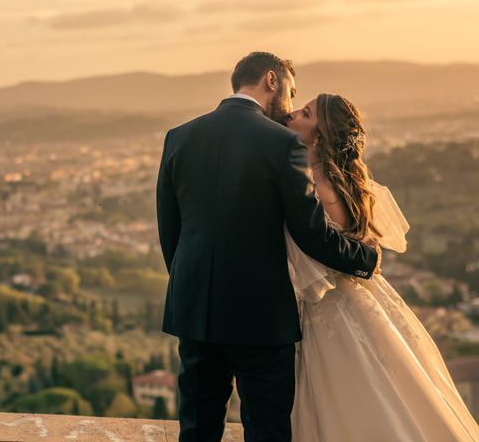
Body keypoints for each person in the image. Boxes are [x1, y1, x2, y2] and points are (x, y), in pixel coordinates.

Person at [156, 52, 380, 442]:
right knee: (266, 428)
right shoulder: (284, 145)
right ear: (272, 81)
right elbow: (311, 233)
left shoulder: (180, 136)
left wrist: (190, 286)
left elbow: (170, 229)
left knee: (197, 425)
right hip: (260, 315)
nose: (292, 105)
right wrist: (366, 258)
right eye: (292, 92)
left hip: (195, 308)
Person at [285, 93, 479, 441]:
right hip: (364, 297)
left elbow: (310, 247)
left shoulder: (313, 185)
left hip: (327, 306)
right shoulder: (344, 182)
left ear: (318, 136)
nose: (293, 114)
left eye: (305, 112)